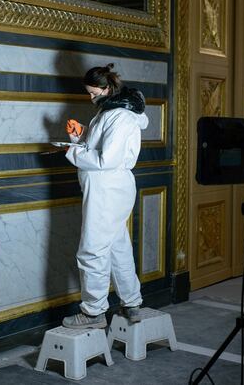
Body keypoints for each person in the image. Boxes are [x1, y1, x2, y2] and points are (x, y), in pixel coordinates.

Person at [61, 63, 148, 329]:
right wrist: (82, 134)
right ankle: (131, 302)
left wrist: (70, 151)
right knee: (117, 246)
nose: (91, 98)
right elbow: (105, 143)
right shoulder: (112, 111)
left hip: (107, 189)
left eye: (93, 93)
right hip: (108, 189)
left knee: (92, 250)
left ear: (107, 88)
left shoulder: (119, 115)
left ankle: (93, 312)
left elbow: (105, 160)